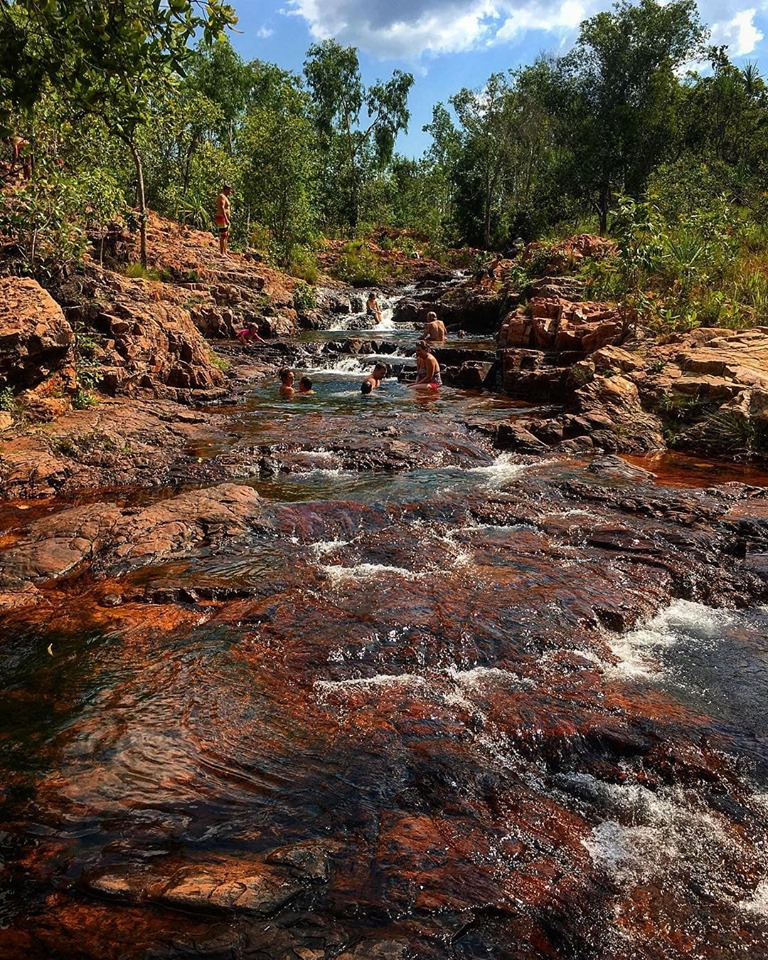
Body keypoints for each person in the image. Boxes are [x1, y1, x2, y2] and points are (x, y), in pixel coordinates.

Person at [215, 184, 233, 256]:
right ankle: (222, 253)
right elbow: (222, 208)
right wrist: (226, 218)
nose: (230, 192)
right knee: (223, 235)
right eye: (229, 190)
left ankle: (225, 252)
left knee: (226, 235)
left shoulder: (226, 197)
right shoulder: (221, 196)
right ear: (226, 190)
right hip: (221, 217)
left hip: (225, 218)